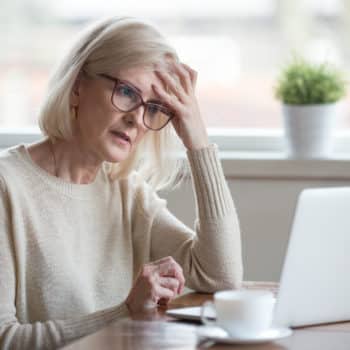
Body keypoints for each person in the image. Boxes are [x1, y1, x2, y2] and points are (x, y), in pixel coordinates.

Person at [0, 17, 243, 349]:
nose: (136, 119)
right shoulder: (7, 186)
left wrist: (197, 140)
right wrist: (123, 313)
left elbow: (219, 275)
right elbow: (6, 339)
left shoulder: (127, 191)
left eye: (154, 108)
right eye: (127, 92)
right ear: (76, 88)